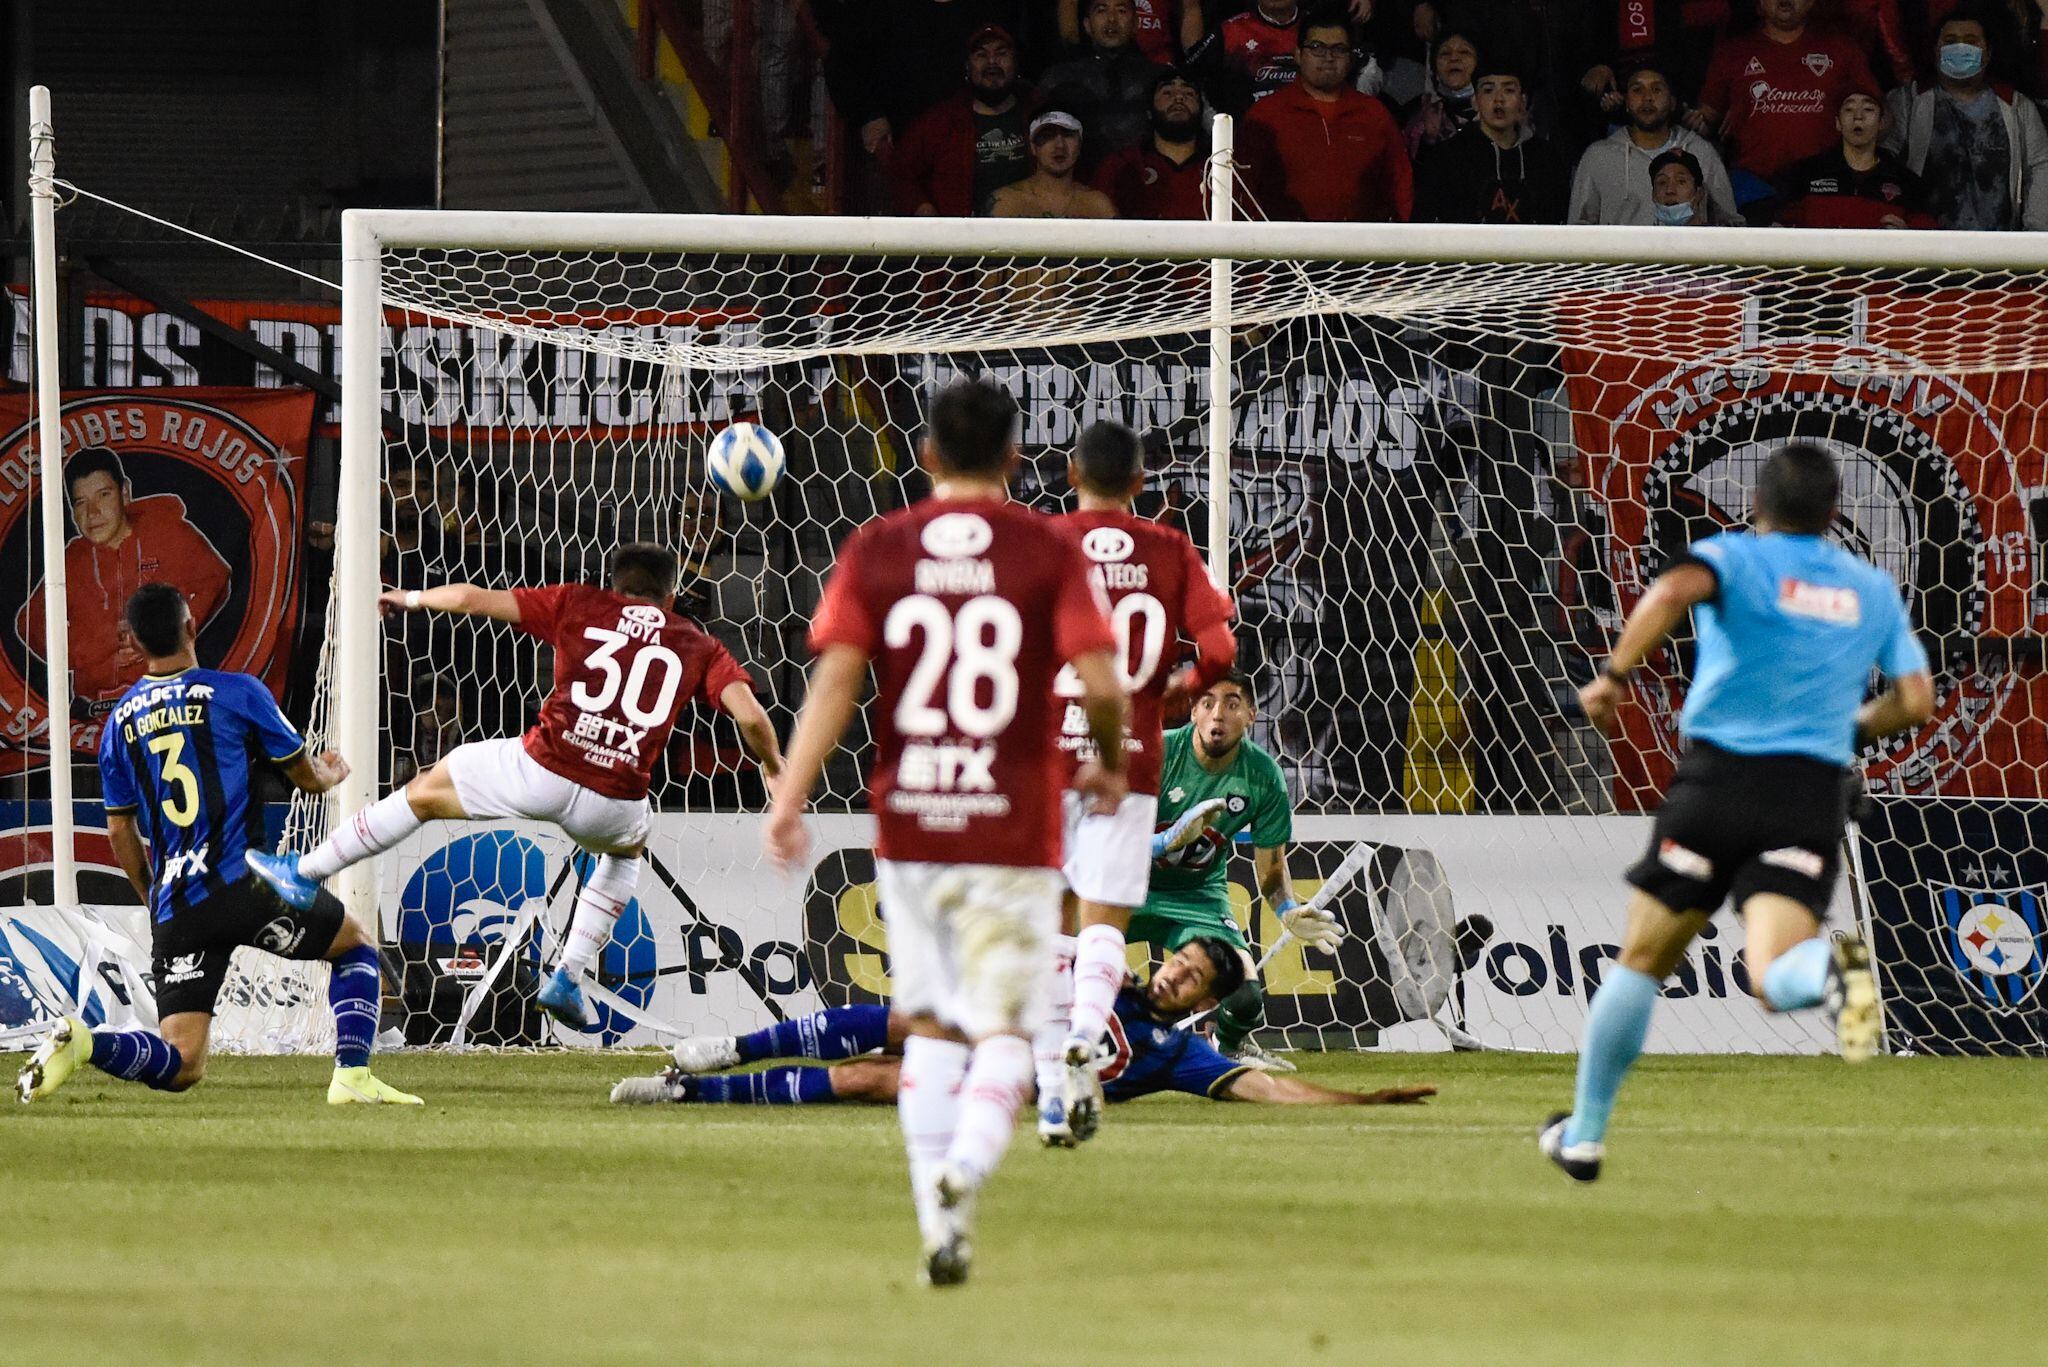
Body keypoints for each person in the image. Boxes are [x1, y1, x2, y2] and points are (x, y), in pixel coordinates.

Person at [759, 378, 1128, 1288]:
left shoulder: (878, 545)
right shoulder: (1043, 547)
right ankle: (967, 1166)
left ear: (923, 454)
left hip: (913, 822)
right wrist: (1112, 762)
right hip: (1012, 826)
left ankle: (936, 1212)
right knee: (1003, 1029)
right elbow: (1104, 681)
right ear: (1014, 457)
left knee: (927, 1025)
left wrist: (788, 796)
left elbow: (836, 683)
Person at [1541, 442, 1935, 1183]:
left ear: (1758, 505)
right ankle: (1830, 972)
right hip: (1808, 794)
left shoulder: (1732, 558)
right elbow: (1916, 700)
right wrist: (1849, 728)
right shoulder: (1870, 588)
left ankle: (1586, 1134)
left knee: (1643, 961)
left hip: (1717, 785)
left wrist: (1612, 677)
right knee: (1773, 971)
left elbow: (1667, 595)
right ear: (1833, 513)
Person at [247, 544, 784, 1031]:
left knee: (424, 792)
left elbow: (471, 600)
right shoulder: (698, 642)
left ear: (613, 585)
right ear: (671, 595)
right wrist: (774, 767)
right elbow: (753, 717)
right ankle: (568, 976)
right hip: (616, 801)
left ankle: (304, 871)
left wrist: (408, 597)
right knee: (625, 856)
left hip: (544, 770)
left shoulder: (579, 602)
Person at [16, 584, 419, 1107]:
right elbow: (306, 778)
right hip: (246, 884)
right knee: (356, 944)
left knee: (182, 1063)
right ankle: (352, 1077)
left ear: (135, 644)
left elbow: (120, 831)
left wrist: (151, 896)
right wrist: (331, 771)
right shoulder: (238, 692)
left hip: (179, 907)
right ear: (191, 627)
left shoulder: (118, 724)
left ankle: (86, 1041)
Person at [613, 938, 1438, 1109]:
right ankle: (731, 1047)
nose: (1179, 970)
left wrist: (1360, 1101)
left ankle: (686, 1096)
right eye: (1182, 957)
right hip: (986, 1020)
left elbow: (1262, 1084)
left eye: (1195, 976)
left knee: (877, 1078)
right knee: (903, 1016)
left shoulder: (1174, 1052)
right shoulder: (1100, 963)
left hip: (1002, 1082)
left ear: (1199, 1003)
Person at [1043, 420, 1238, 1142]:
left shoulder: (1043, 542)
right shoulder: (1169, 547)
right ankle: (1084, 1042)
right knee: (1104, 921)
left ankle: (1053, 1061)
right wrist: (1181, 689)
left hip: (1047, 751)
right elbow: (1221, 645)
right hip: (1129, 755)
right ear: (1139, 482)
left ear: (1070, 474)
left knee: (1053, 920)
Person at [1140, 670, 1336, 1069]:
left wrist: (1286, 910)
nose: (1218, 715)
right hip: (1126, 888)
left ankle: (1230, 1046)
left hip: (1199, 898)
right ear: (1193, 710)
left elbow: (1271, 870)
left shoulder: (1263, 777)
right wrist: (1162, 843)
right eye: (1208, 703)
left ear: (1251, 715)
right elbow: (1104, 838)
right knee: (1057, 956)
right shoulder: (1155, 755)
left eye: (1232, 704)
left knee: (1246, 999)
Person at [17, 446, 232, 706]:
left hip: (169, 698)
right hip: (95, 710)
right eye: (80, 503)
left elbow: (217, 580)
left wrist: (159, 637)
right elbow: (29, 626)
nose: (92, 513)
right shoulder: (72, 560)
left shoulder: (167, 531)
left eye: (104, 495)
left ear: (125, 493)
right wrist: (97, 645)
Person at [1694, 0, 1879, 207]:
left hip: (1824, 185)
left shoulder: (1842, 49)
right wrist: (1695, 122)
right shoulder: (1732, 53)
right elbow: (1706, 117)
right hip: (1754, 186)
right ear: (1760, 3)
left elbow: (1879, 115)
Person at [1883, 5, 2048, 230]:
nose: (1960, 46)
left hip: (2000, 251)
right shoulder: (1908, 101)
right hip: (1922, 247)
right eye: (1950, 41)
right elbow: (1884, 161)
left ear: (1988, 52)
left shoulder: (2017, 106)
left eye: (1971, 40)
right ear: (1936, 50)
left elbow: (2041, 168)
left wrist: (2034, 235)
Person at [1244, 13, 1414, 221]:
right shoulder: (1266, 115)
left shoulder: (1374, 114)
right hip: (1282, 248)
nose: (1328, 57)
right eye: (1316, 47)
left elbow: (1401, 186)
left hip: (1363, 248)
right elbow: (1242, 189)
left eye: (1339, 49)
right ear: (1297, 54)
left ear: (1351, 58)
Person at [1568, 61, 1740, 225]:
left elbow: (1731, 224)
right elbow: (1576, 231)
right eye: (1637, 90)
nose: (1647, 98)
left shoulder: (1701, 152)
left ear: (1673, 102)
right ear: (1627, 102)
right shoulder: (1598, 157)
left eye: (1656, 89)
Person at [890, 25, 1032, 216]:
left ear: (1015, 63)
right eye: (981, 55)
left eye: (1001, 53)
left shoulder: (1038, 112)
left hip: (1032, 234)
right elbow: (900, 173)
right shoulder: (940, 121)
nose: (992, 62)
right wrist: (922, 207)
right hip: (962, 238)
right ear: (967, 66)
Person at [1413, 57, 1569, 222]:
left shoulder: (1546, 159)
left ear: (1523, 102)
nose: (1498, 99)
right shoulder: (1450, 156)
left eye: (1509, 90)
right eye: (1488, 90)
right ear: (1475, 101)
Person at [1777, 89, 1933, 226]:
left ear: (1881, 123)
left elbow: (1928, 241)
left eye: (1868, 109)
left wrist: (1907, 236)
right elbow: (1777, 231)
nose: (1858, 116)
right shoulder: (1802, 174)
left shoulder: (1907, 182)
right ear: (1838, 123)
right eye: (1849, 109)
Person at [1039, 0, 1170, 164]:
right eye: (1101, 11)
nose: (1112, 19)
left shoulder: (1161, 79)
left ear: (1136, 23)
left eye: (1121, 11)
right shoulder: (1057, 79)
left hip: (1148, 177)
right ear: (1087, 25)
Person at [1091, 67, 1212, 218]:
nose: (1179, 97)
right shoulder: (1119, 165)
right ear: (1149, 110)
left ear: (1201, 110)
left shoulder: (1222, 167)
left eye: (1189, 93)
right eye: (1168, 92)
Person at [989, 110, 1120, 216]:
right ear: (1033, 148)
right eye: (1048, 136)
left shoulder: (1097, 205)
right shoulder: (1005, 202)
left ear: (1079, 146)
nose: (1060, 145)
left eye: (1068, 135)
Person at [1402, 27, 1481, 158]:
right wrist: (1429, 139)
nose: (1454, 58)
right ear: (1435, 68)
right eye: (1445, 53)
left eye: (1464, 52)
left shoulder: (1494, 109)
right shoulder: (1417, 115)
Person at [1058, 0, 1202, 65]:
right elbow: (1069, 3)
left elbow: (1190, 8)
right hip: (1098, 59)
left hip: (1160, 58)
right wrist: (1075, 54)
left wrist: (1195, 57)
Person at [1646, 145, 1713, 223]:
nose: (1669, 190)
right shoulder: (1640, 235)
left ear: (1699, 193)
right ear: (1653, 195)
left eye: (1681, 182)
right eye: (1662, 182)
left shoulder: (1719, 235)